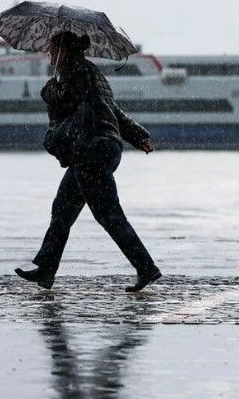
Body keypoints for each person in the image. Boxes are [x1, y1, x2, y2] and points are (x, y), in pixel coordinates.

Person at [15, 31, 161, 292]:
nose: (48, 53)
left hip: (90, 148)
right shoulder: (92, 73)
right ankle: (46, 269)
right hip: (103, 146)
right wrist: (138, 136)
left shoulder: (75, 71)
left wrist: (49, 91)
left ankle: (146, 267)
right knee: (62, 209)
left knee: (108, 213)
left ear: (64, 50)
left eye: (51, 48)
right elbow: (113, 111)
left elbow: (66, 101)